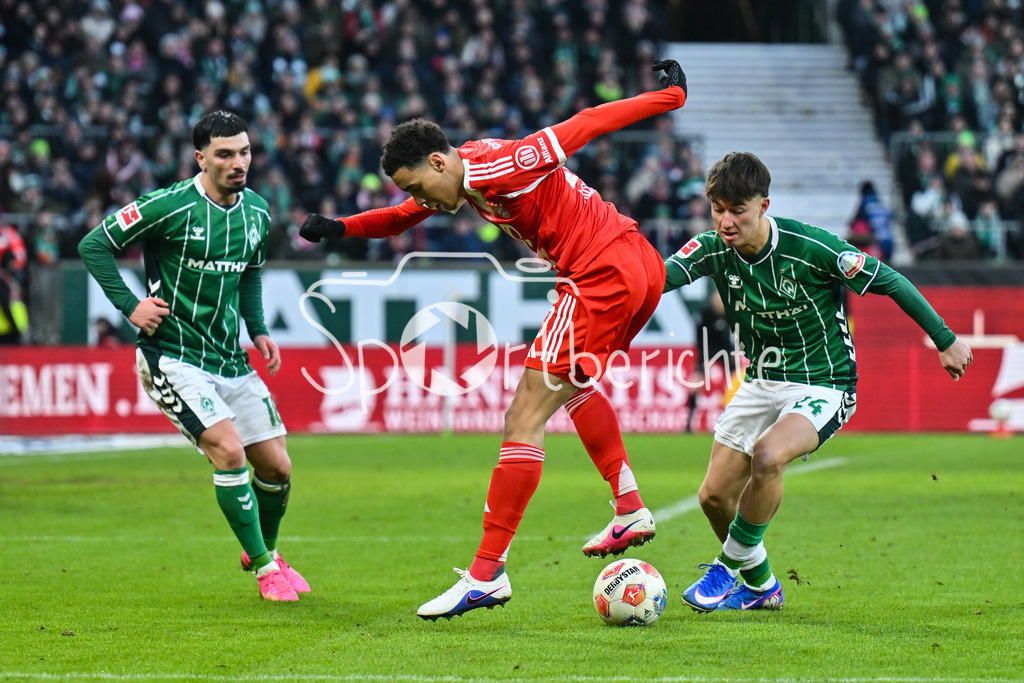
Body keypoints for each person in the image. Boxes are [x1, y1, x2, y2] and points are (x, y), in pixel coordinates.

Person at [299, 60, 688, 620]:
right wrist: (342, 227)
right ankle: (628, 506)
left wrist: (669, 99)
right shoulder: (462, 177)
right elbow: (400, 218)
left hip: (601, 269)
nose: (422, 201)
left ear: (438, 162)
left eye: (419, 186)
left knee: (521, 418)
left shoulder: (502, 166)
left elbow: (585, 123)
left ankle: (487, 574)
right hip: (636, 266)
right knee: (572, 387)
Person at [664, 152, 972, 612]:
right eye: (718, 209)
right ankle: (763, 588)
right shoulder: (711, 248)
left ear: (764, 205)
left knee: (769, 455)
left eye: (737, 210)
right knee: (712, 497)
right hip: (761, 380)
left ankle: (725, 569)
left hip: (824, 383)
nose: (726, 222)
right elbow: (656, 278)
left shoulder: (810, 247)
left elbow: (889, 280)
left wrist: (944, 339)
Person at [78, 111, 309, 602]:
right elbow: (94, 244)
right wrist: (130, 305)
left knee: (277, 467)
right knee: (229, 452)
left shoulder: (258, 212)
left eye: (244, 152)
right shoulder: (168, 205)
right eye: (225, 154)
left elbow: (250, 273)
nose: (238, 163)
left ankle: (264, 549)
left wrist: (258, 328)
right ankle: (266, 568)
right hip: (173, 356)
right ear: (201, 158)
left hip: (229, 358)